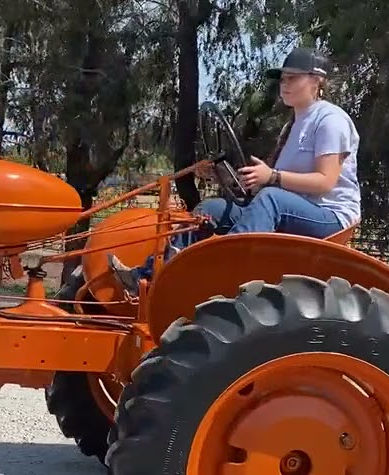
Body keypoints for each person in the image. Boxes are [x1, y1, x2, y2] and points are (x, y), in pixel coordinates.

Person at [108, 46, 362, 294]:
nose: (284, 84)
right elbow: (275, 186)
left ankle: (223, 273)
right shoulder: (293, 126)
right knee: (211, 210)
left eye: (292, 78)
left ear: (317, 81)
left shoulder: (330, 120)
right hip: (293, 209)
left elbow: (325, 182)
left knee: (271, 199)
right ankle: (151, 278)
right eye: (282, 79)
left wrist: (272, 176)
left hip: (330, 217)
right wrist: (232, 175)